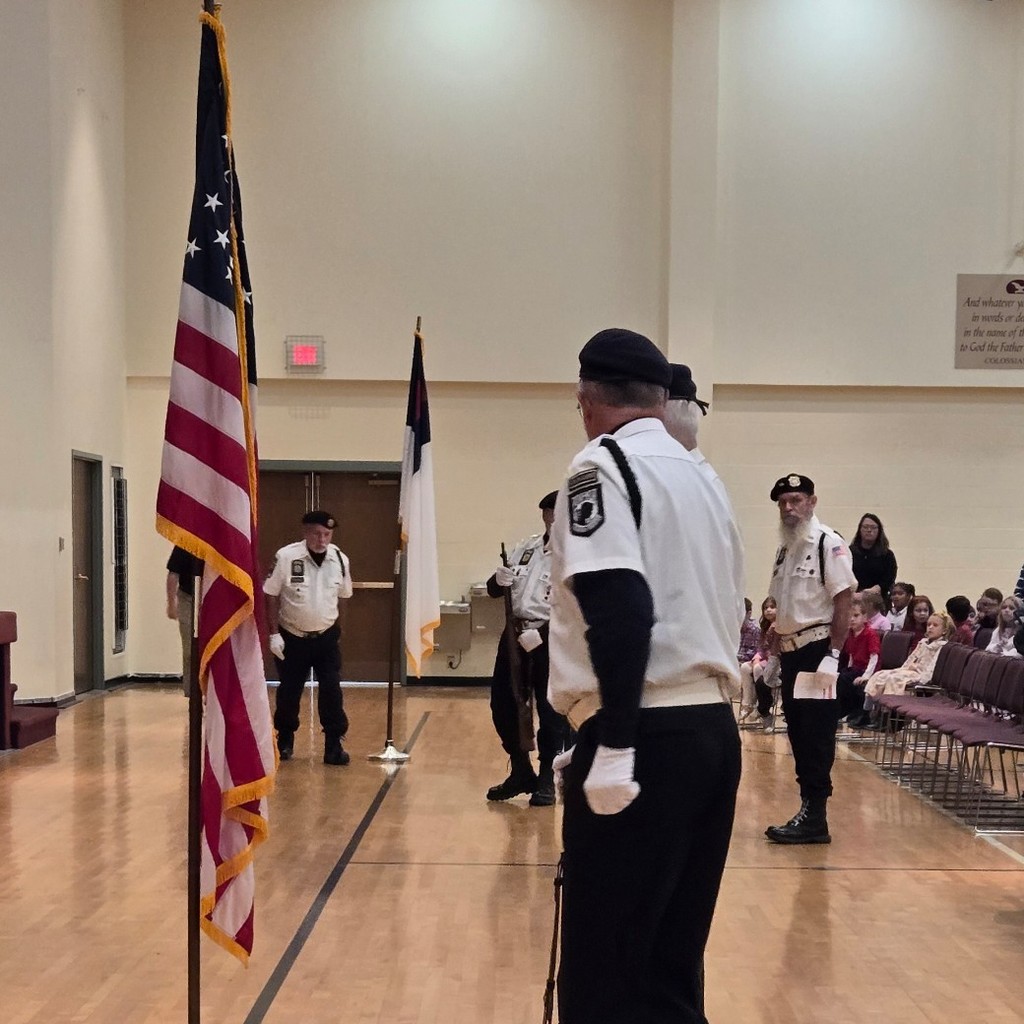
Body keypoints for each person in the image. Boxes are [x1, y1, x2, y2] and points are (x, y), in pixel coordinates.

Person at [548, 328, 744, 1024]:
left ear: (587, 402)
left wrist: (617, 740)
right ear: (663, 401)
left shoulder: (598, 468)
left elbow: (621, 608)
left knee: (604, 975)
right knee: (669, 966)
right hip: (712, 731)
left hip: (647, 738)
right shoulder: (703, 476)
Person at [764, 473, 855, 845]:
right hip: (790, 653)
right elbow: (780, 604)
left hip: (817, 653)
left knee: (816, 734)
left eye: (796, 500)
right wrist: (773, 638)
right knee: (799, 733)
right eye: (783, 502)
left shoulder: (826, 543)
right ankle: (807, 810)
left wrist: (834, 654)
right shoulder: (786, 548)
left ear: (812, 502)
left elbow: (844, 600)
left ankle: (816, 816)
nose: (789, 508)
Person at [484, 490, 569, 807]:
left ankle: (547, 776)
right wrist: (498, 578)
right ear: (545, 516)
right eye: (551, 513)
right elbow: (495, 591)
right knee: (503, 705)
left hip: (551, 639)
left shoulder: (574, 555)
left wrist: (544, 633)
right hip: (514, 636)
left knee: (550, 713)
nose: (555, 519)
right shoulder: (526, 549)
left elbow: (578, 605)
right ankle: (521, 770)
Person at [263, 510, 353, 765]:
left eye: (327, 534)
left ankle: (333, 744)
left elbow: (344, 597)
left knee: (332, 690)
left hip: (325, 638)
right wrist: (273, 635)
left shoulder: (339, 559)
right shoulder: (287, 557)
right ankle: (285, 738)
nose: (322, 540)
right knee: (290, 690)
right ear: (305, 532)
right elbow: (270, 594)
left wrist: (339, 631)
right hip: (292, 636)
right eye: (316, 533)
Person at [864, 612, 953, 701]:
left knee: (894, 679)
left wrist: (922, 680)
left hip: (921, 675)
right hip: (910, 671)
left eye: (935, 625)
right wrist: (902, 669)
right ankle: (871, 707)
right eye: (929, 624)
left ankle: (890, 706)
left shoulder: (942, 647)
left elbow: (933, 667)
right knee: (880, 675)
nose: (930, 627)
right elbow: (911, 659)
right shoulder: (923, 642)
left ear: (944, 630)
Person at [836, 596, 881, 728]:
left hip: (867, 670)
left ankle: (851, 710)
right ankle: (840, 710)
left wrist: (866, 676)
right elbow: (851, 655)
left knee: (844, 679)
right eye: (849, 616)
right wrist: (848, 669)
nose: (852, 619)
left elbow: (874, 657)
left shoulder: (870, 634)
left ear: (865, 617)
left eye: (856, 615)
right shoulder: (850, 633)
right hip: (856, 668)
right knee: (839, 676)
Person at [165, 545, 204, 695]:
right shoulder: (184, 541)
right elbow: (173, 574)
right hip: (187, 598)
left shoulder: (217, 539)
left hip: (212, 599)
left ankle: (212, 695)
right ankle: (192, 693)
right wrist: (171, 604)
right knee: (190, 649)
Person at [739, 596, 780, 730]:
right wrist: (757, 657)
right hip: (764, 659)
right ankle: (748, 704)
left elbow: (775, 650)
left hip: (776, 662)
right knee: (745, 667)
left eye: (772, 607)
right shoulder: (764, 627)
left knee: (757, 669)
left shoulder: (779, 626)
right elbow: (760, 648)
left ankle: (764, 704)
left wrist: (761, 659)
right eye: (765, 608)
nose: (768, 610)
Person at [850, 513, 898, 609]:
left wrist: (876, 589)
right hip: (853, 599)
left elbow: (890, 577)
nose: (869, 530)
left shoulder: (887, 554)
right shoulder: (850, 552)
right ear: (860, 529)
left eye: (873, 527)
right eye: (865, 527)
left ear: (879, 531)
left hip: (878, 600)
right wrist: (853, 593)